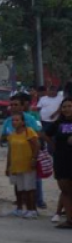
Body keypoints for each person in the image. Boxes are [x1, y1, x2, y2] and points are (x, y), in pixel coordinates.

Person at [0, 92, 47, 211]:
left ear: (22, 106)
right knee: (18, 185)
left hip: (29, 158)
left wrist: (34, 158)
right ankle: (20, 207)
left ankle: (34, 206)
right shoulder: (7, 121)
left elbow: (37, 138)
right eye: (12, 105)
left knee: (31, 185)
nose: (13, 107)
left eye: (16, 104)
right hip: (15, 157)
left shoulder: (30, 119)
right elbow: (3, 139)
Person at [4, 112, 40, 219]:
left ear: (23, 122)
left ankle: (32, 210)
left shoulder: (29, 132)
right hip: (16, 165)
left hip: (28, 164)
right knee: (19, 189)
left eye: (17, 120)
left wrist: (34, 159)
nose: (14, 122)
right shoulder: (12, 135)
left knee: (29, 189)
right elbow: (10, 152)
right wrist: (8, 166)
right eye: (13, 120)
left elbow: (37, 145)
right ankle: (19, 209)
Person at [47, 98, 72, 230]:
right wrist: (53, 145)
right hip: (61, 159)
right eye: (64, 107)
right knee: (65, 190)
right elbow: (45, 134)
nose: (67, 109)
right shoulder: (58, 123)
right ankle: (69, 220)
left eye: (69, 106)